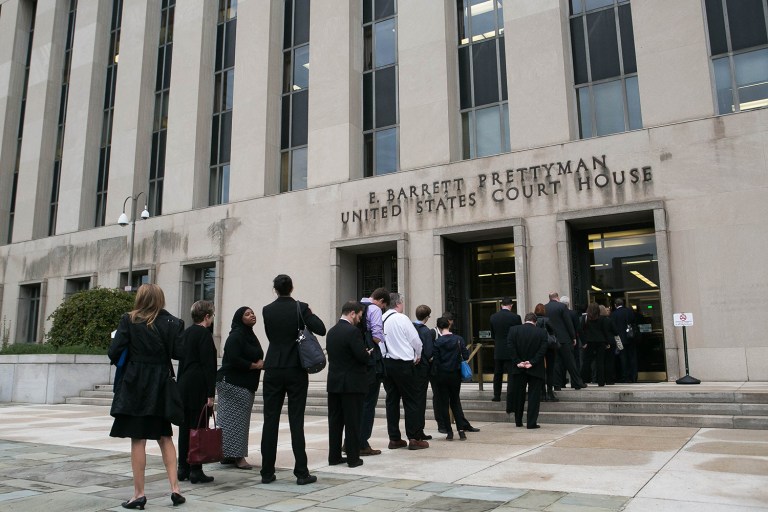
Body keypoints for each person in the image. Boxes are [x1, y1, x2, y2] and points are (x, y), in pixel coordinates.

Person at [108, 284, 186, 508]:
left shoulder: (129, 320)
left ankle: (139, 493)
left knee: (138, 439)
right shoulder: (173, 323)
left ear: (140, 298)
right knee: (165, 436)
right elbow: (179, 353)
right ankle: (175, 488)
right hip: (161, 383)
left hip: (135, 384)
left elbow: (113, 351)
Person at [260, 274, 326, 485]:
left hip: (273, 367)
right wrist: (310, 313)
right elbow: (321, 329)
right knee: (296, 421)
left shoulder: (267, 310)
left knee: (270, 420)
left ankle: (267, 472)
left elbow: (272, 336)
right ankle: (301, 472)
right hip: (296, 368)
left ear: (275, 289)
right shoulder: (301, 307)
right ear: (291, 287)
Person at [216, 306, 264, 470]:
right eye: (247, 314)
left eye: (252, 312)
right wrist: (254, 366)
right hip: (233, 384)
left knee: (231, 422)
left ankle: (227, 454)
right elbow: (234, 358)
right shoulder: (236, 336)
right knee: (237, 422)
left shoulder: (249, 335)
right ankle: (238, 457)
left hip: (241, 384)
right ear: (240, 318)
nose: (252, 315)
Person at [177, 300, 217, 484]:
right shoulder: (205, 335)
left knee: (185, 429)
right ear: (207, 316)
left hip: (184, 384)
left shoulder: (186, 334)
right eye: (212, 316)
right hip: (198, 385)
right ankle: (196, 469)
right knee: (198, 427)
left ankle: (182, 467)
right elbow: (209, 366)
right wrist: (211, 394)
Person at [326, 301, 371, 468]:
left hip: (334, 383)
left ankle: (334, 457)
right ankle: (353, 458)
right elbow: (361, 356)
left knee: (335, 421)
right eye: (359, 316)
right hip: (352, 384)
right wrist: (367, 353)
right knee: (353, 421)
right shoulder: (353, 332)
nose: (360, 320)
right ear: (352, 313)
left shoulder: (331, 332)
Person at [381, 292, 426, 450]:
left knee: (392, 401)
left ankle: (394, 438)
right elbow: (416, 341)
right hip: (404, 364)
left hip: (387, 363)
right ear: (398, 304)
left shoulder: (382, 319)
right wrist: (418, 355)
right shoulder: (402, 318)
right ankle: (414, 437)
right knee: (411, 400)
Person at [356, 288, 390, 456]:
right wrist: (381, 339)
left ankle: (350, 441)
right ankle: (362, 443)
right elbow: (376, 335)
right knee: (369, 403)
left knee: (357, 404)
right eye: (384, 306)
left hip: (357, 360)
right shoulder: (374, 309)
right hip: (371, 360)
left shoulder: (356, 305)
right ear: (381, 301)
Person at [507, 313, 549, 429]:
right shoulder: (541, 332)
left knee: (518, 395)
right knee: (534, 396)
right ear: (535, 321)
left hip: (518, 368)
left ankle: (518, 421)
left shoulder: (513, 330)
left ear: (525, 320)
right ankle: (531, 423)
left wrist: (518, 362)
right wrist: (532, 362)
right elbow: (543, 350)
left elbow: (510, 347)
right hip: (535, 368)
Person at [432, 317, 470, 440]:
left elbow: (436, 361)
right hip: (455, 374)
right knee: (455, 402)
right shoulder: (458, 339)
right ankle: (461, 430)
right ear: (449, 325)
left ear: (439, 327)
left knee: (444, 403)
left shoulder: (438, 342)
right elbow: (465, 355)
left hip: (442, 375)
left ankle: (449, 432)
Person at [545, 292, 585, 390]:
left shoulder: (545, 307)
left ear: (549, 298)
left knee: (556, 363)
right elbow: (568, 323)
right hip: (564, 339)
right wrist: (573, 337)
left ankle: (557, 385)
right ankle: (577, 383)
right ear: (557, 297)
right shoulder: (562, 307)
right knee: (570, 362)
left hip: (551, 339)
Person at [489, 297, 522, 402]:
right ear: (511, 305)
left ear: (501, 305)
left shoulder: (493, 317)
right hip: (511, 349)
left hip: (498, 349)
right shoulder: (516, 317)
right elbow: (518, 335)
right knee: (511, 374)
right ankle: (510, 395)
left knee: (497, 373)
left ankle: (497, 395)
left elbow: (493, 335)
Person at [412, 304, 435, 441]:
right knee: (420, 400)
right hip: (422, 368)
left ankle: (415, 429)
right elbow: (428, 352)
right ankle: (419, 430)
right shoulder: (425, 331)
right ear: (426, 317)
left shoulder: (410, 327)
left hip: (410, 367)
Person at [579, 303, 615, 387]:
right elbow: (605, 331)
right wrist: (607, 342)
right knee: (600, 362)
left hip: (589, 342)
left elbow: (580, 330)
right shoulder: (602, 318)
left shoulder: (585, 318)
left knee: (586, 362)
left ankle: (582, 380)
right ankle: (601, 382)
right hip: (600, 341)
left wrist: (583, 342)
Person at [534, 303, 558, 402]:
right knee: (550, 371)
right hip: (549, 348)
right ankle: (550, 393)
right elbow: (553, 332)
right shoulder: (547, 320)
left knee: (540, 371)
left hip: (538, 348)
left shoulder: (534, 321)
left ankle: (542, 393)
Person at [612, 298, 637, 383]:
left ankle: (625, 377)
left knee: (623, 358)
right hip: (630, 338)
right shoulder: (629, 311)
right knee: (632, 358)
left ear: (615, 305)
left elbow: (613, 328)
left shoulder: (614, 314)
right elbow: (634, 322)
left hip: (620, 339)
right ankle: (633, 376)